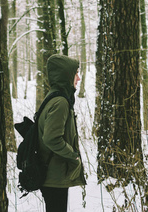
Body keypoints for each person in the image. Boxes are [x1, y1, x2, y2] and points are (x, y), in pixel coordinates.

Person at [38, 54, 86, 212]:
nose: (78, 78)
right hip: (54, 176)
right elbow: (51, 138)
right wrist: (73, 154)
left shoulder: (55, 97)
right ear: (66, 75)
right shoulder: (60, 102)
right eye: (76, 73)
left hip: (53, 175)